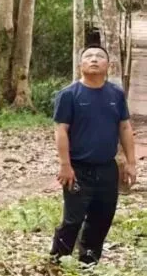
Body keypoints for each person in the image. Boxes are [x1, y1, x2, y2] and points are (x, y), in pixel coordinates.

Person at [50, 46, 138, 264]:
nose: (94, 59)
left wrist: (131, 162)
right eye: (88, 56)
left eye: (100, 56)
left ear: (108, 65)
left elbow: (125, 127)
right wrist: (65, 165)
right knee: (73, 219)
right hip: (78, 169)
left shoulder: (116, 94)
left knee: (102, 217)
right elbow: (61, 130)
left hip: (107, 168)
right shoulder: (69, 94)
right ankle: (58, 259)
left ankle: (89, 261)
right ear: (81, 64)